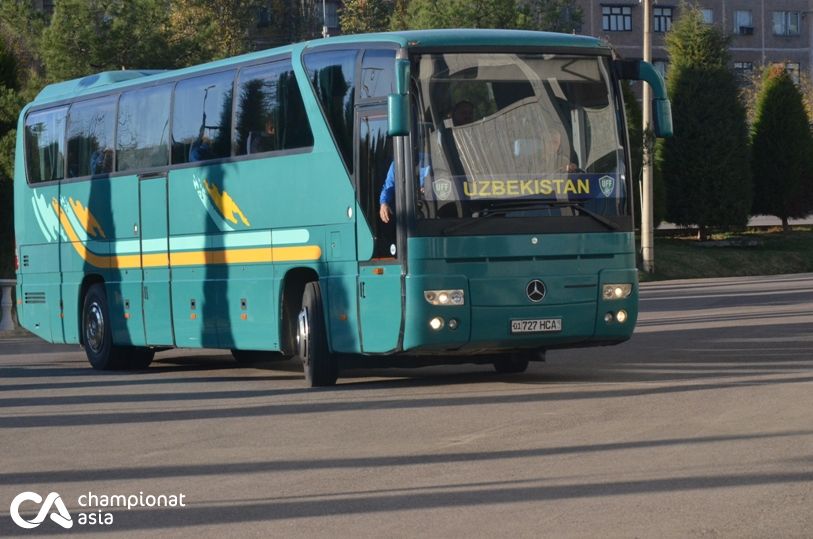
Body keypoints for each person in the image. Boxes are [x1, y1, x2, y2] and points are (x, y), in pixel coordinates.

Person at [379, 156, 432, 223]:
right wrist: (384, 203)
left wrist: (428, 188)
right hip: (405, 207)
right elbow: (389, 186)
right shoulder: (396, 164)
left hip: (427, 206)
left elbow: (437, 181)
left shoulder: (429, 160)